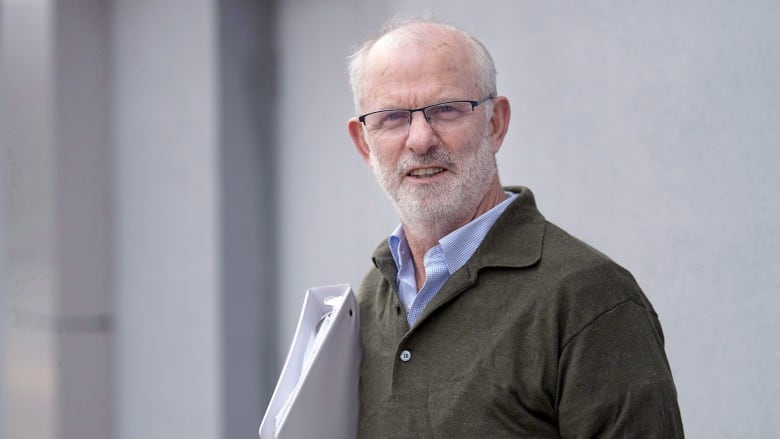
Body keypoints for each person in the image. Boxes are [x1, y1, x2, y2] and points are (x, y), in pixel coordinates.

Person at [345, 17, 684, 438]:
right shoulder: (370, 298)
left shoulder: (588, 298)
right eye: (393, 117)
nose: (420, 140)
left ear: (495, 124)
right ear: (364, 143)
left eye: (446, 109)